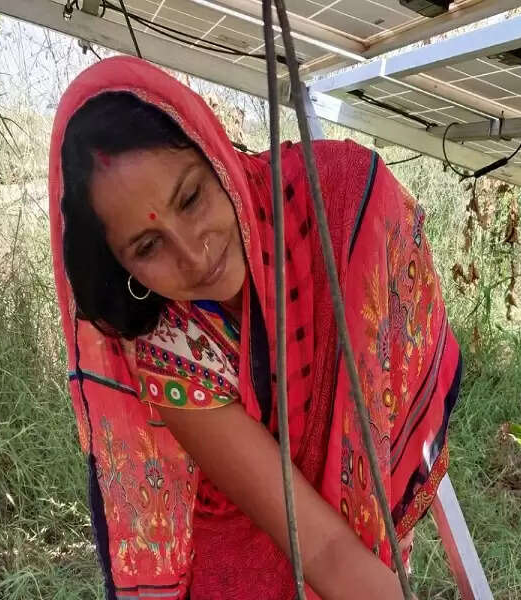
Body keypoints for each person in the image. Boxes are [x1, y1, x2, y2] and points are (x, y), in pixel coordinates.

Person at [48, 56, 461, 600]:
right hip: (243, 570)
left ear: (215, 152)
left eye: (191, 198)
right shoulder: (170, 347)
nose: (194, 255)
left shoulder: (341, 200)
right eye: (147, 247)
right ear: (120, 267)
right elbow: (321, 548)